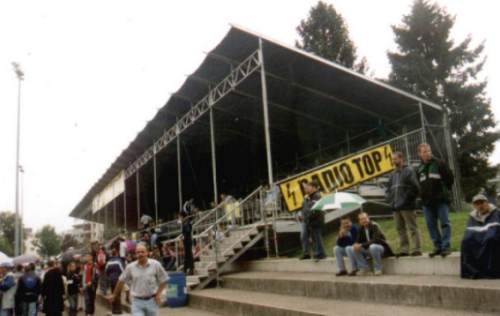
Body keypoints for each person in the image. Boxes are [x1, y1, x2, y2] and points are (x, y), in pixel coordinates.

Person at [416, 143, 454, 257]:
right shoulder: (419, 168)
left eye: (428, 151)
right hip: (427, 203)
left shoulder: (440, 163)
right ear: (419, 154)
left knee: (445, 223)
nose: (427, 153)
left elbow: (450, 178)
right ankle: (437, 246)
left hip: (441, 200)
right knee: (431, 225)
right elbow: (419, 185)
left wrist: (444, 192)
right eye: (424, 152)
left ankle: (445, 247)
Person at [108, 244, 169, 316]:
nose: (140, 254)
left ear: (147, 253)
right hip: (137, 302)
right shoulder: (130, 267)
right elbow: (121, 280)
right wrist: (114, 295)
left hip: (152, 301)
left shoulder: (155, 264)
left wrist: (158, 294)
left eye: (142, 252)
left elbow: (164, 279)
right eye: (138, 252)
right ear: (135, 254)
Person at [386, 151, 422, 257]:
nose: (393, 161)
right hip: (395, 207)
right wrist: (390, 200)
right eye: (392, 159)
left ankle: (417, 249)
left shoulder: (409, 171)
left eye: (395, 159)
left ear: (401, 159)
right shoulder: (392, 174)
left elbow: (415, 187)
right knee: (400, 229)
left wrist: (405, 200)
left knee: (412, 227)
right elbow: (388, 189)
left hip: (407, 206)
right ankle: (404, 249)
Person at [461, 194, 500, 279]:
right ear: (474, 206)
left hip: (492, 238)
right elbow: (470, 230)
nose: (480, 206)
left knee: (491, 239)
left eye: (481, 203)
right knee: (466, 241)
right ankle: (472, 271)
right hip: (479, 237)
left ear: (487, 203)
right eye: (477, 204)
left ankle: (491, 271)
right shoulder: (473, 216)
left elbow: (496, 229)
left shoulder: (496, 213)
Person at [300, 180, 326, 261]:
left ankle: (321, 253)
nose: (307, 188)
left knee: (317, 236)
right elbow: (306, 208)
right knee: (314, 237)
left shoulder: (317, 196)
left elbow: (315, 209)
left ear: (314, 188)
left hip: (316, 219)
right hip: (310, 220)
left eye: (309, 187)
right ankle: (315, 253)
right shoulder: (309, 197)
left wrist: (308, 217)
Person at [106, 245, 125, 315]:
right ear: (117, 253)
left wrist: (110, 277)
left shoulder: (109, 262)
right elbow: (122, 271)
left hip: (111, 280)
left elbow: (106, 271)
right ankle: (118, 310)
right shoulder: (119, 261)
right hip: (118, 280)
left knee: (113, 294)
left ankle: (114, 310)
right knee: (118, 295)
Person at [179, 211, 194, 275]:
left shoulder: (186, 223)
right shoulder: (185, 222)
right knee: (187, 255)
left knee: (189, 255)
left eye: (179, 216)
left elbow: (187, 231)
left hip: (187, 241)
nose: (179, 218)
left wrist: (183, 238)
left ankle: (190, 269)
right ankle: (186, 269)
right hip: (187, 241)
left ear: (182, 216)